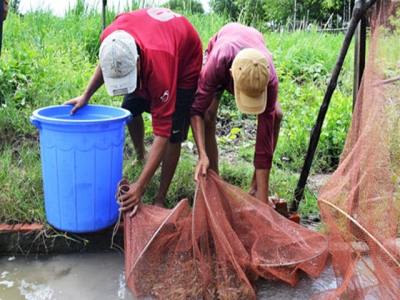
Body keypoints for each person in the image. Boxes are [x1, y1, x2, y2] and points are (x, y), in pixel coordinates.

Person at [64, 8, 202, 214]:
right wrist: (86, 95)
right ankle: (140, 157)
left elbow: (163, 132)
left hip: (184, 59)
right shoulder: (110, 38)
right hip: (152, 44)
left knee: (173, 131)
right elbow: (107, 61)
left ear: (138, 63)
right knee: (129, 109)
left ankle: (160, 198)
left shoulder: (160, 66)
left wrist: (140, 185)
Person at [190, 23, 283, 209]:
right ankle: (215, 185)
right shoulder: (217, 62)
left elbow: (264, 139)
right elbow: (196, 111)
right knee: (208, 115)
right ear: (231, 75)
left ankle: (255, 190)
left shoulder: (268, 74)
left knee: (276, 116)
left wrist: (263, 203)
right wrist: (202, 154)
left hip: (252, 52)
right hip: (223, 49)